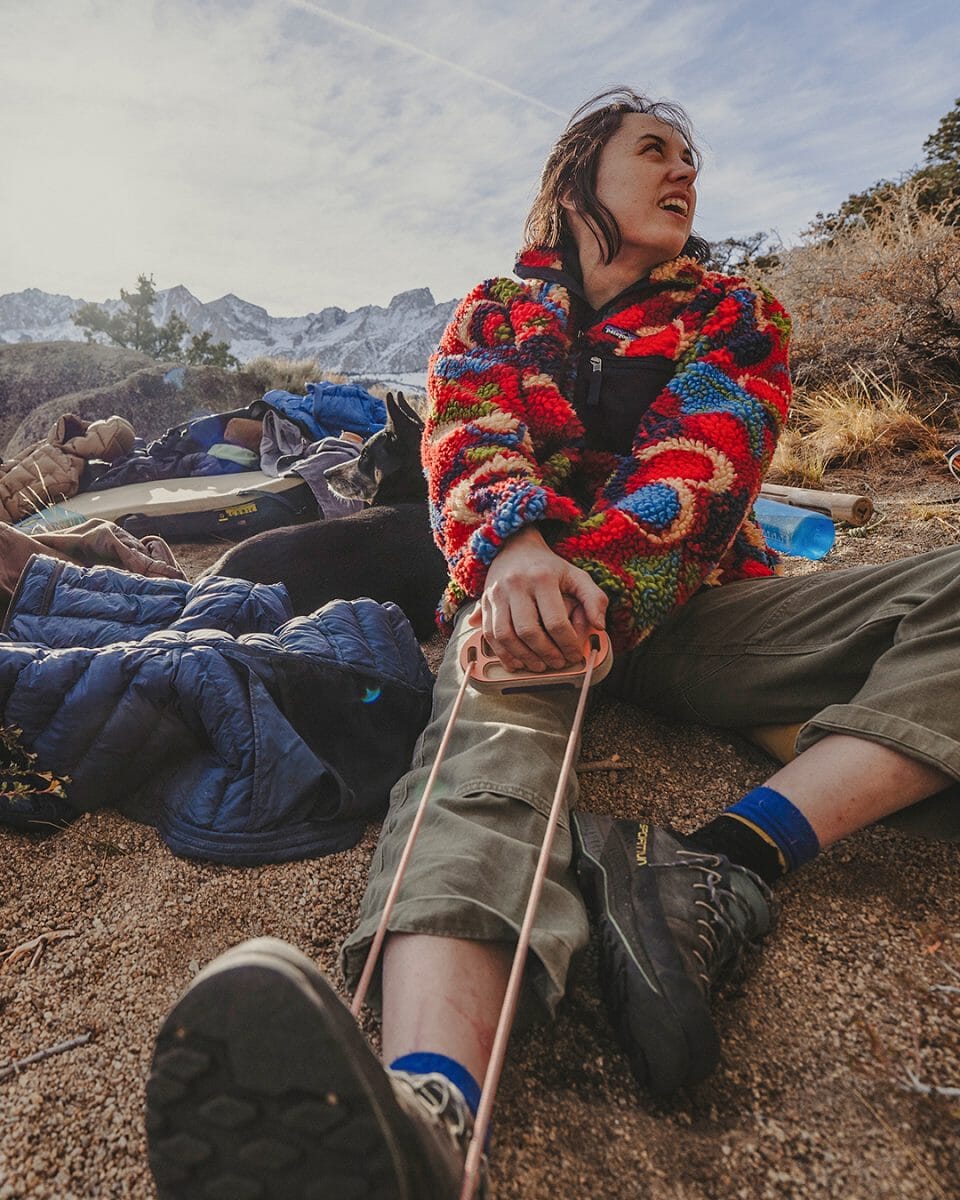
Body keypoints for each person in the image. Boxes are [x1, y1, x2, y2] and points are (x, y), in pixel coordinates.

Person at [145, 88, 960, 1199]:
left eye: (692, 161)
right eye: (656, 151)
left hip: (701, 607)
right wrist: (517, 554)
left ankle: (724, 858)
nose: (685, 174)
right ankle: (430, 1104)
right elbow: (466, 434)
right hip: (528, 589)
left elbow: (704, 470)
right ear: (579, 177)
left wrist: (582, 585)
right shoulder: (492, 312)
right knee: (495, 700)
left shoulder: (736, 315)